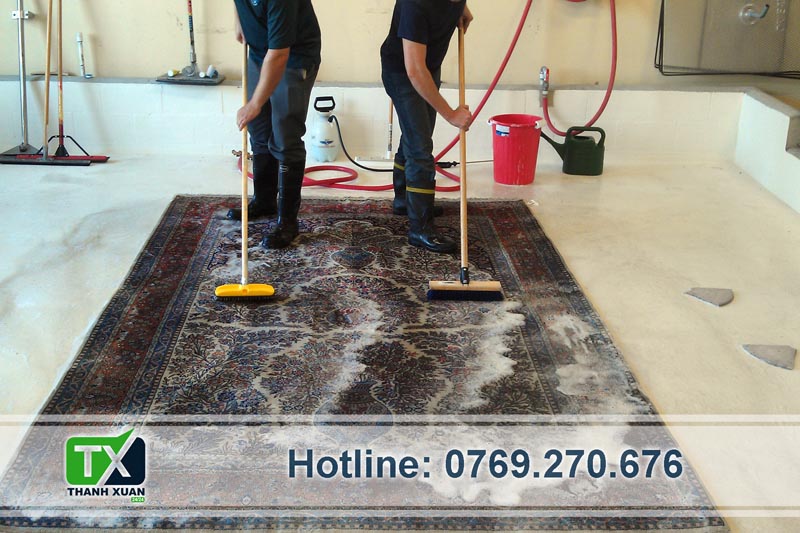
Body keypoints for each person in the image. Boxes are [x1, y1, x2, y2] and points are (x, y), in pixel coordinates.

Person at [227, 0, 321, 249]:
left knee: (285, 135)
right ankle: (264, 200)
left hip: (292, 57)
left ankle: (287, 222)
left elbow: (279, 55)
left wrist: (254, 103)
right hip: (259, 52)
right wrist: (239, 20)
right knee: (258, 129)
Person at [380, 0, 473, 253]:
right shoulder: (416, 4)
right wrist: (451, 114)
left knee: (416, 134)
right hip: (403, 72)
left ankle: (404, 200)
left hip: (428, 67)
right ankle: (420, 229)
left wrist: (460, 8)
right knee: (420, 148)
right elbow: (414, 70)